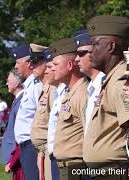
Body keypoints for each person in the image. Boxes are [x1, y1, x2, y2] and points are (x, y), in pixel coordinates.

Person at [83, 15, 129, 178]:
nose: (90, 51)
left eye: (94, 44)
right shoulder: (112, 78)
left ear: (111, 46)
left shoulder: (121, 81)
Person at [49, 36, 89, 180]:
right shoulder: (68, 92)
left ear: (70, 65)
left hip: (77, 167)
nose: (51, 67)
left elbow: (89, 133)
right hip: (66, 166)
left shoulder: (83, 93)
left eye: (55, 63)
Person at [12, 44, 43, 180]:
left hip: (32, 146)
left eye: (18, 62)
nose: (16, 66)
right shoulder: (29, 86)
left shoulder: (36, 86)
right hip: (25, 146)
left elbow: (42, 116)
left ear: (28, 63)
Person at [29, 44, 56, 180]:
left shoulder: (53, 89)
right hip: (42, 153)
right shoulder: (43, 88)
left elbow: (56, 124)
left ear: (45, 62)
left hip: (49, 152)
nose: (30, 66)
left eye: (34, 62)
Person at [73, 29, 106, 134]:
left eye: (81, 53)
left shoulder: (106, 84)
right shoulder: (90, 86)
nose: (76, 59)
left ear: (95, 52)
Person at [0, 68, 25, 179]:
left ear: (17, 82)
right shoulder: (17, 100)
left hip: (19, 158)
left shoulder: (22, 101)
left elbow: (21, 133)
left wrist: (13, 160)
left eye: (8, 81)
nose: (6, 83)